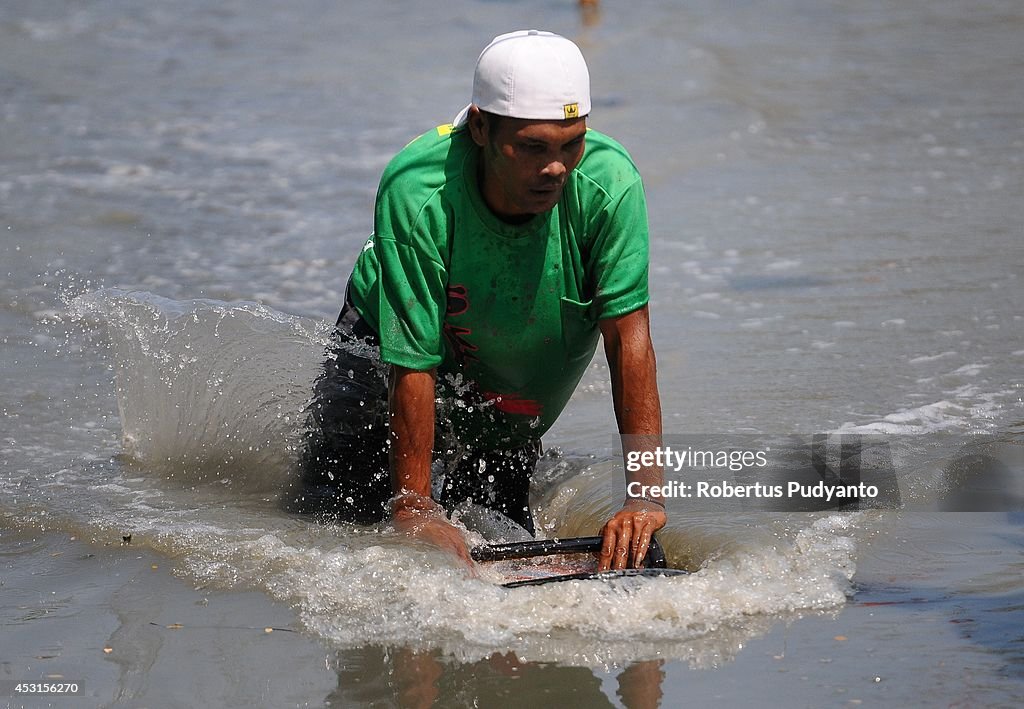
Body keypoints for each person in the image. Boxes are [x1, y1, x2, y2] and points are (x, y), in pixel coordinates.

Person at [292, 30, 666, 570]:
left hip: (504, 370)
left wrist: (644, 498)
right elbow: (411, 357)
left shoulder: (610, 188)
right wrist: (414, 508)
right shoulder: (417, 189)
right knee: (330, 517)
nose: (556, 168)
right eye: (533, 147)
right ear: (482, 128)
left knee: (497, 530)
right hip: (387, 343)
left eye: (571, 143)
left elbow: (629, 343)